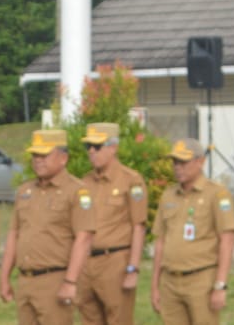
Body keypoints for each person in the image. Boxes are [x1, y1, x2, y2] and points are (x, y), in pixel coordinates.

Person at [0, 129, 96, 324]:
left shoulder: (76, 191)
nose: (38, 160)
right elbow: (14, 234)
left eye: (44, 155)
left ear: (63, 158)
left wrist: (70, 282)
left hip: (54, 279)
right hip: (26, 280)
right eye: (35, 155)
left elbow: (84, 238)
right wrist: (4, 277)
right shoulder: (25, 190)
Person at [150, 139, 234, 325]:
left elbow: (227, 241)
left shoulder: (217, 194)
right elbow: (160, 242)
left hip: (201, 280)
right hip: (170, 281)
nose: (178, 168)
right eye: (175, 162)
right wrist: (155, 286)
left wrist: (220, 286)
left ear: (200, 161)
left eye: (183, 162)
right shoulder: (168, 195)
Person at [76, 124, 148, 325]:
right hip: (88, 264)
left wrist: (133, 269)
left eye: (97, 146)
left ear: (113, 147)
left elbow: (138, 226)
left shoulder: (131, 181)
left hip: (115, 262)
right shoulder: (85, 182)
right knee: (88, 318)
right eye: (88, 146)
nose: (91, 151)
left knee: (119, 319)